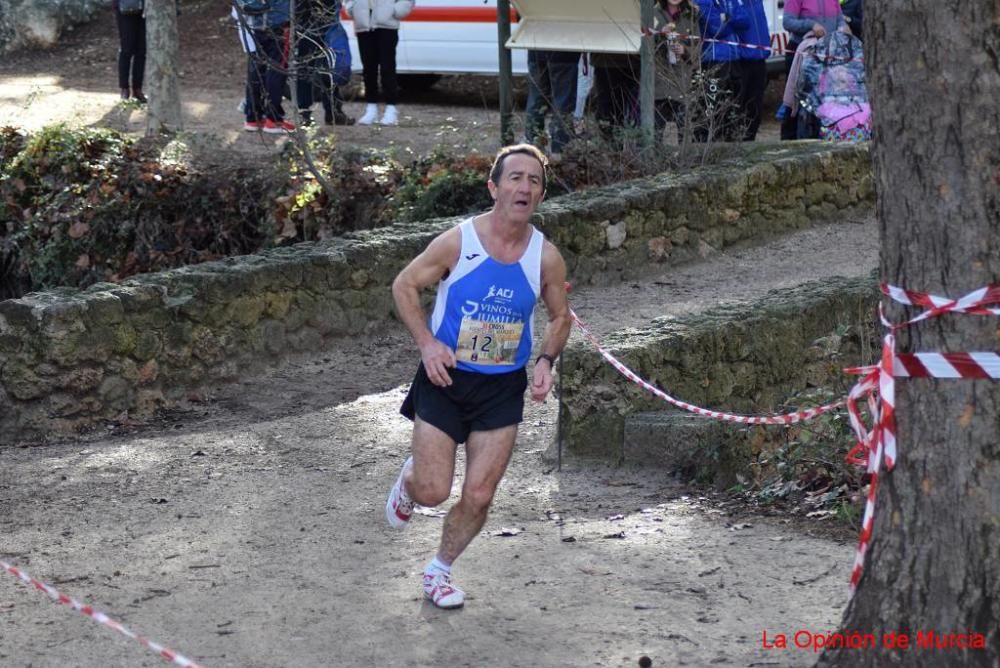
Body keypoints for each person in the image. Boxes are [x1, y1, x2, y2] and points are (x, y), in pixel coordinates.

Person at [386, 143, 571, 609]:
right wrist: (428, 344)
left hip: (501, 388)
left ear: (541, 195)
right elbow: (404, 284)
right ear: (494, 187)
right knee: (433, 490)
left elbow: (560, 316)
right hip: (446, 378)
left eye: (534, 180)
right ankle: (411, 482)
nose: (524, 186)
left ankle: (440, 571)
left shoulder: (545, 257)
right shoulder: (459, 241)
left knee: (481, 493)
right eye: (515, 177)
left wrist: (546, 360)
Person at [781, 0, 846, 139]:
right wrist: (811, 25)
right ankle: (789, 141)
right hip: (801, 52)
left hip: (827, 54)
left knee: (823, 102)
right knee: (797, 103)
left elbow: (840, 19)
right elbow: (787, 22)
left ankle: (818, 138)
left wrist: (843, 27)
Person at [345, 0, 414, 125]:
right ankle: (371, 109)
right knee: (368, 69)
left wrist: (394, 11)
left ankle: (391, 108)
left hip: (387, 26)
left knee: (387, 67)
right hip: (364, 25)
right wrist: (352, 8)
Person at [694, 0, 749, 142]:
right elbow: (714, 28)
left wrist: (726, 17)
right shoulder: (702, 1)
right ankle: (705, 144)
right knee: (711, 107)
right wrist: (731, 20)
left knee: (734, 105)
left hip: (734, 57)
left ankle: (729, 142)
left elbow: (745, 21)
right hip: (713, 59)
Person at [244, 0, 297, 133]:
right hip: (278, 21)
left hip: (256, 22)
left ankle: (253, 116)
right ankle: (274, 119)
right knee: (277, 69)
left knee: (256, 67)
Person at [653, 0, 700, 143]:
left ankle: (686, 160)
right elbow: (644, 43)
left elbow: (698, 46)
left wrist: (685, 50)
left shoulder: (691, 15)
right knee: (655, 129)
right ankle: (654, 160)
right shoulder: (653, 13)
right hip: (658, 80)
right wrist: (661, 35)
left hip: (681, 80)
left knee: (684, 128)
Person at [524, 49, 580, 155]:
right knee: (563, 103)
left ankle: (531, 147)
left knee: (536, 100)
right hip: (565, 54)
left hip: (536, 51)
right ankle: (560, 150)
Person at [735, 0, 771, 140]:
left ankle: (749, 140)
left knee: (755, 107)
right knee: (739, 106)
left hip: (760, 58)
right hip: (740, 60)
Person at [113, 0, 146, 103]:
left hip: (146, 8)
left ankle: (137, 89)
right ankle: (124, 88)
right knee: (126, 49)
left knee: (141, 51)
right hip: (125, 7)